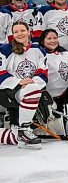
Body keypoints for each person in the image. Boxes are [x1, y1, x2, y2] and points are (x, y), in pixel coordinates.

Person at [0, 21, 47, 149]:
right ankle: (24, 130)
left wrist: (31, 84)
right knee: (32, 90)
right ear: (12, 34)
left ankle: (20, 132)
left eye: (22, 30)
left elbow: (43, 73)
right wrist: (18, 82)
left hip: (28, 91)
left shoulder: (39, 50)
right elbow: (1, 73)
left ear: (29, 32)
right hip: (8, 91)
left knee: (33, 89)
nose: (19, 34)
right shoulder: (4, 50)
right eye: (16, 32)